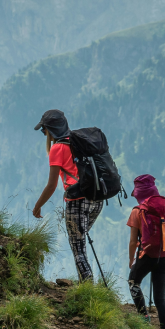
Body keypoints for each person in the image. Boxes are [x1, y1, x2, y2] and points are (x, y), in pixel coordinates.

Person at [31, 109, 103, 282]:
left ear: (51, 130)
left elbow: (51, 185)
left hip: (77, 200)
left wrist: (37, 205)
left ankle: (87, 289)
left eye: (44, 130)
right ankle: (86, 286)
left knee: (78, 247)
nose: (44, 134)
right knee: (80, 240)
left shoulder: (58, 148)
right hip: (97, 200)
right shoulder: (80, 142)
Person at [127, 174, 165, 329]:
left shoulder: (138, 211)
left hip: (146, 256)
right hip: (164, 258)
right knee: (160, 298)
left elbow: (134, 241)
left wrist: (132, 258)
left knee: (133, 282)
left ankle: (144, 318)